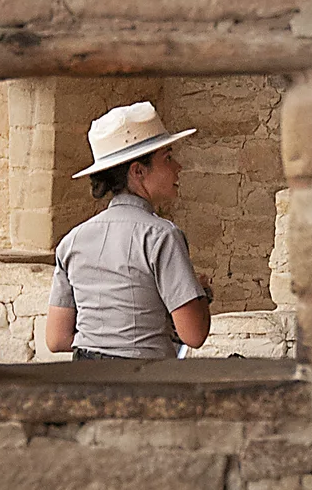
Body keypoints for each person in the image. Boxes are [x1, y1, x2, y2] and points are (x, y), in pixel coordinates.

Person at [42, 101, 212, 360]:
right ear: (138, 171)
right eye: (167, 158)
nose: (178, 166)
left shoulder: (73, 240)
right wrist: (198, 296)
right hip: (142, 381)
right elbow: (194, 334)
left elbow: (57, 339)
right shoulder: (161, 236)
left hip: (84, 379)